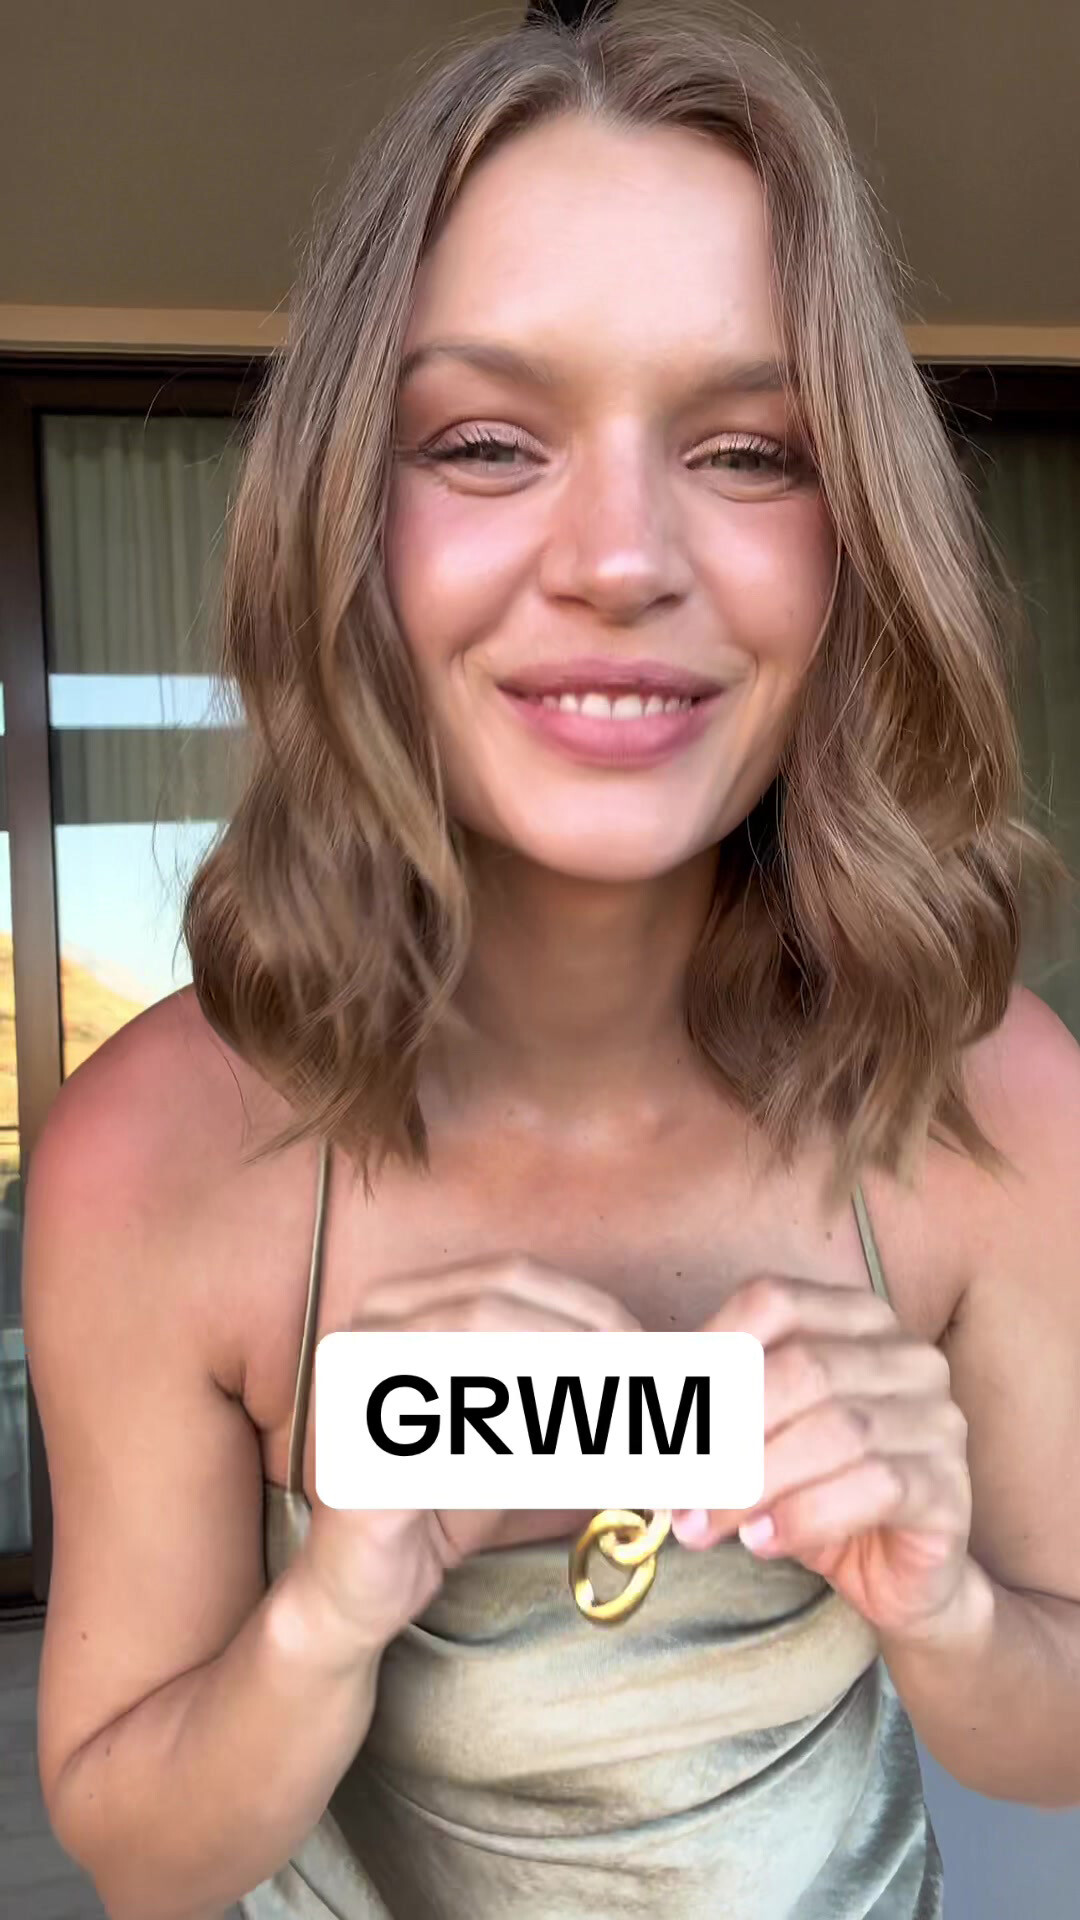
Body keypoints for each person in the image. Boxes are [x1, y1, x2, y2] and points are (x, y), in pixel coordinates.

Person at [23, 6, 1080, 1918]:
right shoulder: (151, 1156)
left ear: (859, 544)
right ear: (347, 524)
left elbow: (1057, 1738)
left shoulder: (1000, 1100)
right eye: (488, 442)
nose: (618, 557)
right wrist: (324, 1617)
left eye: (750, 449)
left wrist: (952, 1607)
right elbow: (140, 1855)